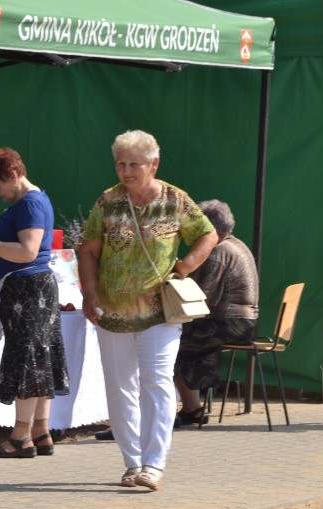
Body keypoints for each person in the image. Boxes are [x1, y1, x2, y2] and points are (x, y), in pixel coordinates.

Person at [78, 130, 218, 490]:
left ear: (153, 164)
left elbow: (208, 234)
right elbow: (89, 251)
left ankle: (154, 464)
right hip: (112, 311)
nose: (126, 171)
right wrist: (89, 292)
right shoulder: (107, 202)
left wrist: (185, 265)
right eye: (120, 164)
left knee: (156, 382)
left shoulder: (175, 200)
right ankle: (132, 463)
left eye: (134, 164)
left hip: (160, 312)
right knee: (119, 387)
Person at [0, 147, 69, 458]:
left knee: (29, 361)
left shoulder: (31, 203)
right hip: (30, 289)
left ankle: (21, 437)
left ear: (12, 175)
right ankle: (40, 431)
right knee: (39, 359)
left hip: (27, 290)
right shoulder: (31, 202)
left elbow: (27, 251)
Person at [174, 199, 258, 427]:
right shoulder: (237, 244)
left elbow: (201, 298)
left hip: (230, 323)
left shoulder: (218, 252)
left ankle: (192, 409)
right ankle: (193, 408)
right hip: (241, 322)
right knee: (181, 338)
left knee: (170, 344)